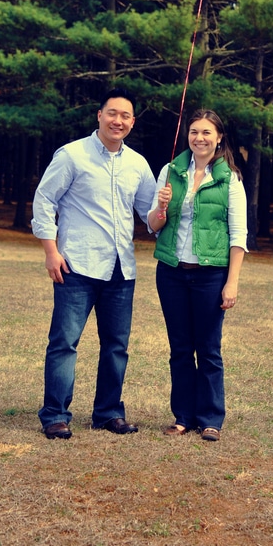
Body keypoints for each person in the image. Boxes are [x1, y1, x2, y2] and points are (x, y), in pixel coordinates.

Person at [32, 88, 156, 439]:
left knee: (116, 347)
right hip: (77, 267)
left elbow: (150, 217)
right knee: (64, 343)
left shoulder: (138, 164)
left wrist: (163, 207)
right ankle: (55, 414)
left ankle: (108, 412)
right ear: (99, 115)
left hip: (121, 270)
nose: (118, 120)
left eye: (126, 116)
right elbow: (43, 201)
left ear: (132, 123)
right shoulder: (72, 155)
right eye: (112, 113)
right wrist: (50, 251)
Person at [147, 109, 247, 442]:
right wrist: (161, 207)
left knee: (208, 349)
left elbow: (238, 235)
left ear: (219, 138)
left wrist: (231, 282)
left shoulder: (229, 178)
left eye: (206, 132)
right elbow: (153, 225)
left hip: (210, 276)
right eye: (193, 132)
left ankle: (210, 418)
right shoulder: (170, 171)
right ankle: (183, 416)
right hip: (172, 272)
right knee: (179, 348)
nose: (199, 138)